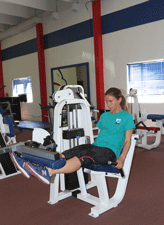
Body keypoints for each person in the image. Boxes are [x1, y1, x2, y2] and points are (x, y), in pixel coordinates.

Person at [10, 87, 135, 185]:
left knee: (84, 153)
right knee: (78, 149)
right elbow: (103, 133)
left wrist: (122, 158)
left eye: (111, 101)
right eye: (107, 101)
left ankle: (48, 171)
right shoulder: (104, 116)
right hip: (96, 147)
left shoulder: (127, 117)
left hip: (110, 152)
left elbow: (127, 141)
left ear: (119, 100)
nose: (108, 104)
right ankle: (37, 164)